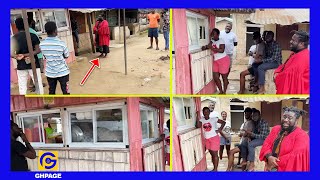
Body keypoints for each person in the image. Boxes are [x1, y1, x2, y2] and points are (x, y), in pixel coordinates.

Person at [259, 107, 309, 171]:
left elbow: (295, 157)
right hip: (270, 166)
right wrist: (269, 157)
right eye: (284, 117)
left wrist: (273, 163)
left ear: (296, 120)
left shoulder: (302, 136)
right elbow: (267, 144)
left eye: (290, 118)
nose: (285, 120)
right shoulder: (276, 129)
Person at [10, 17, 44, 95]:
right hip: (33, 64)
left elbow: (11, 53)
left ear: (16, 26)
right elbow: (38, 50)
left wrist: (17, 56)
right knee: (38, 84)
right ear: (26, 25)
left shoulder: (13, 38)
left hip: (21, 65)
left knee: (22, 87)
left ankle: (24, 104)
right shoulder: (32, 36)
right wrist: (26, 55)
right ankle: (41, 102)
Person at [40, 21, 70, 95]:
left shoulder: (42, 44)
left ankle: (49, 103)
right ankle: (68, 104)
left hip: (50, 72)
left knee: (51, 90)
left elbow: (44, 56)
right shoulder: (61, 44)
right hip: (63, 71)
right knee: (66, 90)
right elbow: (66, 55)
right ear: (55, 31)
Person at [197, 107, 226, 171]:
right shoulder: (202, 120)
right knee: (212, 154)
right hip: (207, 139)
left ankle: (215, 169)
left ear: (209, 112)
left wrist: (219, 130)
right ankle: (214, 168)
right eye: (205, 112)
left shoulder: (214, 119)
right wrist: (197, 116)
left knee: (215, 154)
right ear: (203, 112)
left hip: (214, 138)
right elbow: (198, 126)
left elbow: (223, 122)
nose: (206, 113)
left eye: (207, 111)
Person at [202, 28, 230, 94]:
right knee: (216, 77)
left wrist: (211, 48)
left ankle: (224, 91)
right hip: (216, 61)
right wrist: (205, 47)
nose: (212, 35)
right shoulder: (212, 41)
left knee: (224, 77)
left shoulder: (221, 40)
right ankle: (221, 91)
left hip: (223, 60)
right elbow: (208, 46)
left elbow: (221, 50)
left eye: (214, 34)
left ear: (218, 35)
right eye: (212, 33)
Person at [28, 18, 47, 91]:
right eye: (33, 23)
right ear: (30, 23)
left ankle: (32, 84)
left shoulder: (26, 31)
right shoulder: (32, 31)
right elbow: (37, 43)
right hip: (37, 54)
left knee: (34, 70)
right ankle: (36, 85)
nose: (34, 24)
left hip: (31, 54)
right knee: (38, 70)